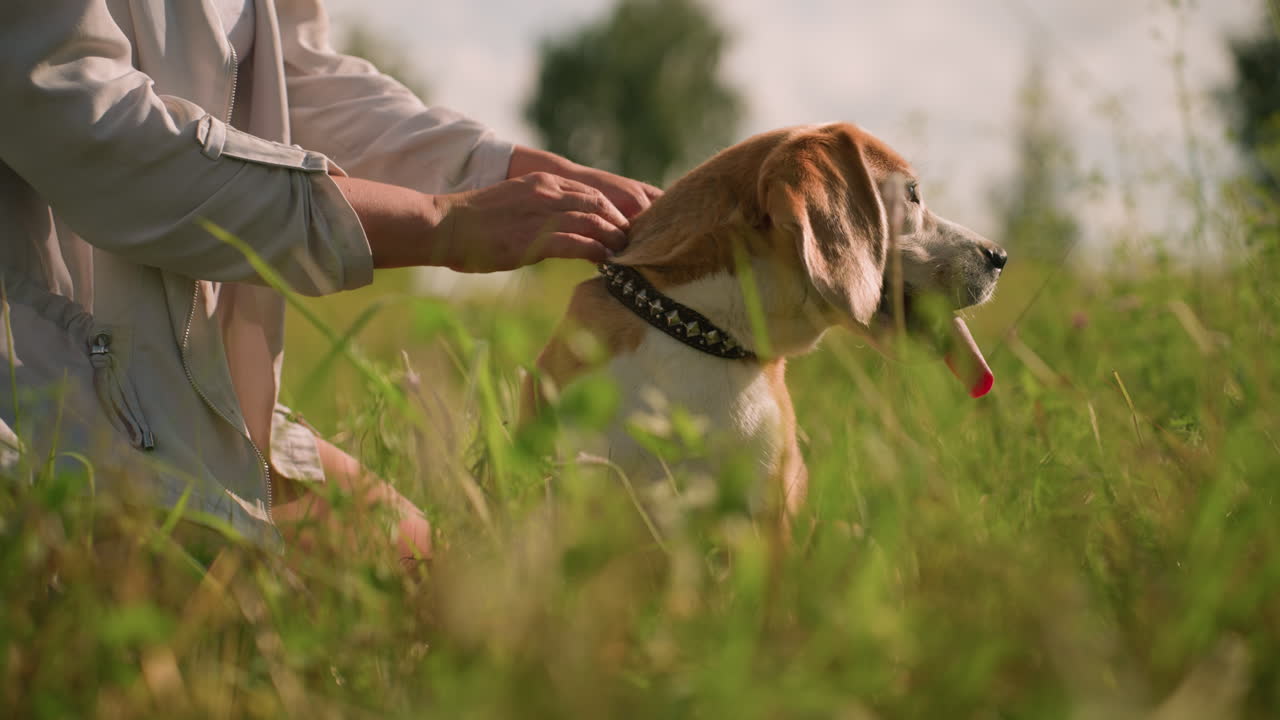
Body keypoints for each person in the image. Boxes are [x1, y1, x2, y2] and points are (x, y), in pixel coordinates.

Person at [0, 0, 660, 566]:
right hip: (38, 397)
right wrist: (442, 226)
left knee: (444, 584)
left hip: (179, 398)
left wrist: (502, 171)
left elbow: (292, 82)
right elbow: (87, 125)